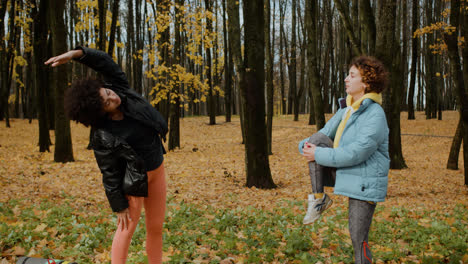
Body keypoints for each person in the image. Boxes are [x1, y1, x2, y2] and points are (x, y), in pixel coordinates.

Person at [45, 47, 168, 264]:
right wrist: (119, 204)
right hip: (134, 181)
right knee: (126, 229)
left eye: (108, 93)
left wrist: (75, 54)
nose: (113, 98)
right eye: (107, 102)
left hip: (157, 168)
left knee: (156, 226)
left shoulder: (120, 88)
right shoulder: (104, 134)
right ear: (100, 113)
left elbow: (105, 62)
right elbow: (109, 172)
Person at [298, 56, 389, 264]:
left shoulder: (375, 114)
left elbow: (357, 153)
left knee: (358, 237)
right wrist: (305, 146)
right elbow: (323, 133)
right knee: (317, 139)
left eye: (352, 75)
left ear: (365, 83)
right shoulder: (346, 108)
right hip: (345, 171)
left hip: (364, 181)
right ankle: (318, 198)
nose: (346, 79)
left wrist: (316, 154)